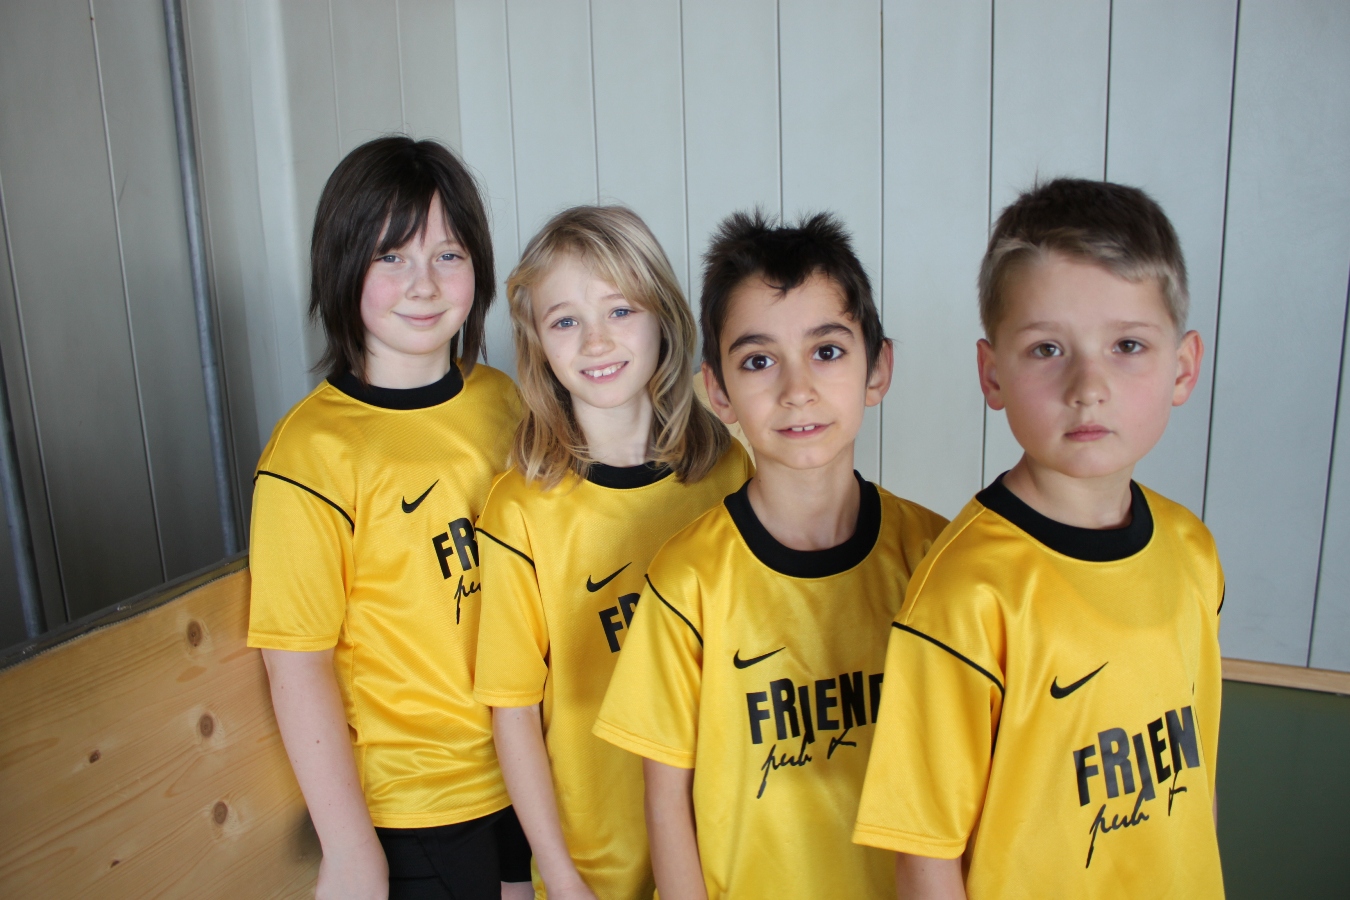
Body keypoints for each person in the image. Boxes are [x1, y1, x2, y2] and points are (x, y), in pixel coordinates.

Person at [853, 178, 1223, 899]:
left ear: (1182, 369)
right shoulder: (966, 594)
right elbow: (924, 854)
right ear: (993, 375)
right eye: (1048, 348)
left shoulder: (1193, 552)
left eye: (1127, 345)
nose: (1088, 385)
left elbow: (1195, 780)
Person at [593, 211, 948, 900]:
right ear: (718, 391)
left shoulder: (936, 561)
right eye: (759, 361)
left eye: (827, 351)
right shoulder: (688, 580)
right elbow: (666, 800)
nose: (796, 389)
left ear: (878, 369)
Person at [247, 136, 533, 900]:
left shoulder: (504, 401)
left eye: (448, 254)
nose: (424, 283)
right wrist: (350, 851)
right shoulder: (310, 455)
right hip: (416, 811)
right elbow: (296, 664)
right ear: (342, 268)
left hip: (532, 773)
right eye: (391, 256)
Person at [473, 206, 752, 900]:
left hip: (724, 848)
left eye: (620, 310)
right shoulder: (519, 510)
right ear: (536, 342)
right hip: (595, 864)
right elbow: (513, 714)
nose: (596, 341)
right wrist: (560, 875)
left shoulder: (726, 473)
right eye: (565, 320)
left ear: (665, 318)